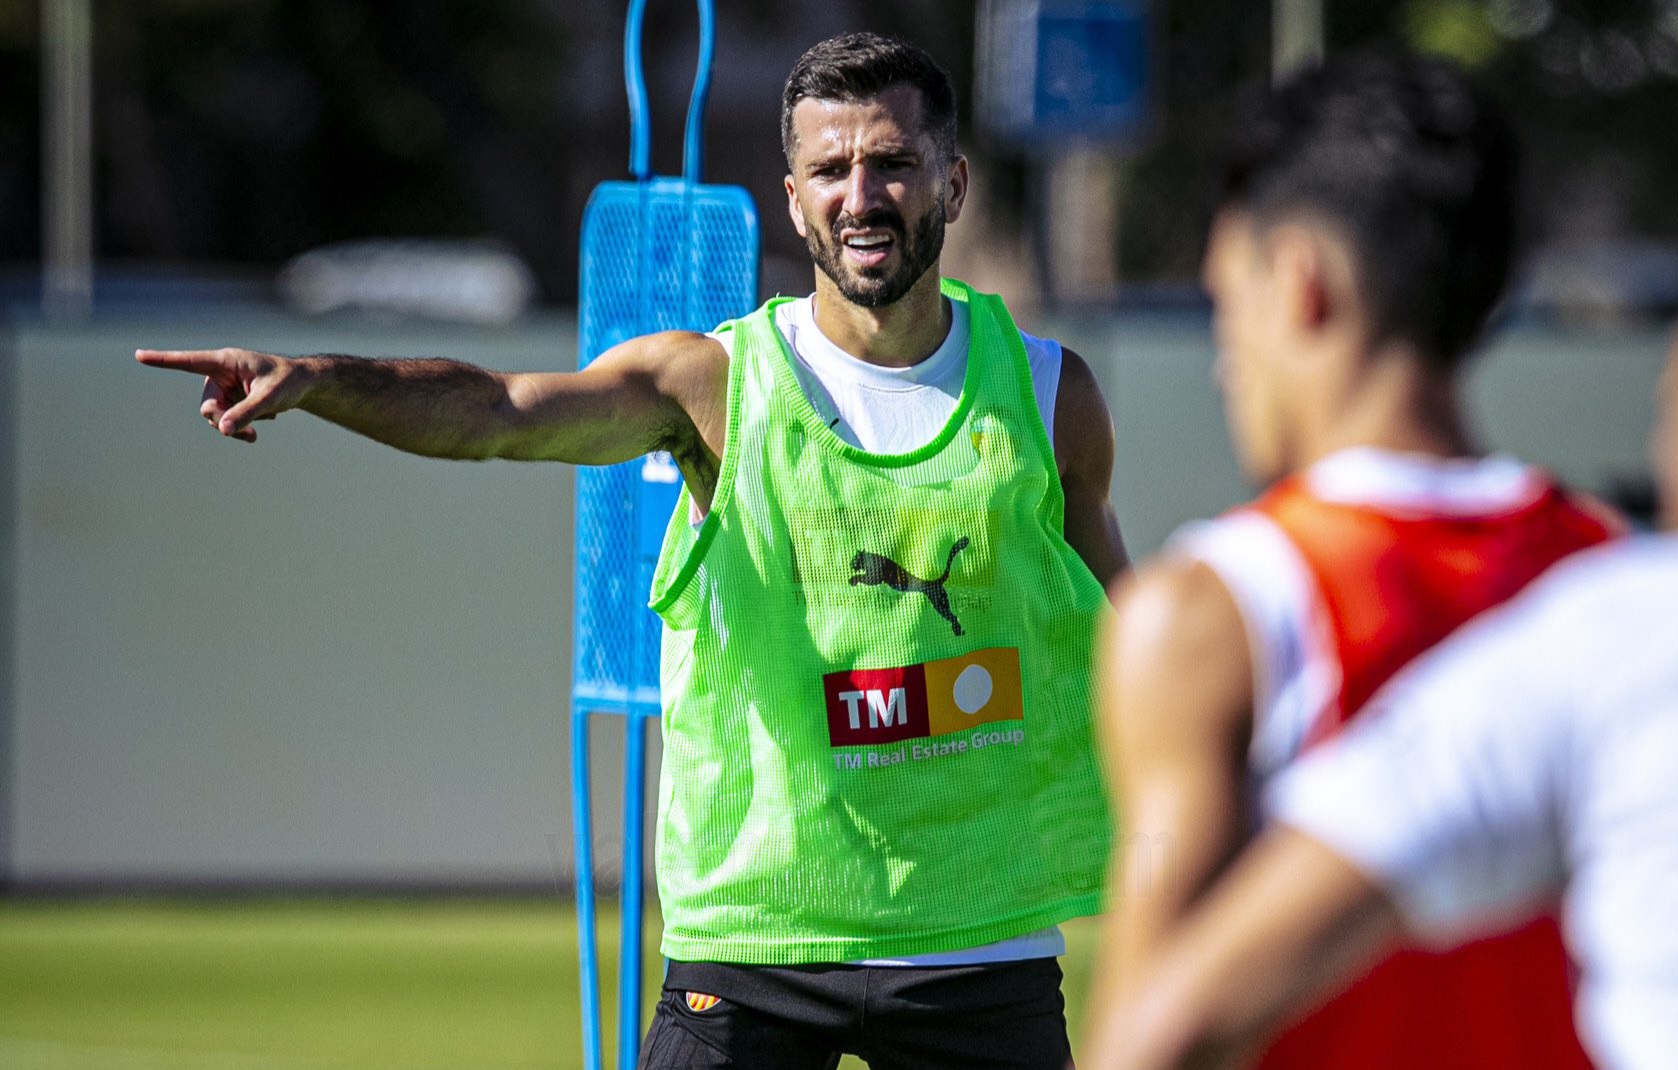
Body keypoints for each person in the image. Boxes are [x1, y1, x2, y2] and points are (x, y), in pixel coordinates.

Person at [139, 33, 1128, 1070]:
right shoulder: (710, 384)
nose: (861, 195)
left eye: (891, 162)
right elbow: (503, 411)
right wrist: (321, 377)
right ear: (793, 201)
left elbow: (1135, 637)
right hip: (751, 940)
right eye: (830, 170)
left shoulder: (1051, 399)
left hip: (976, 941)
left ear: (952, 181)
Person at [1083, 51, 1617, 1070]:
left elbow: (1148, 1033)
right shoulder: (1610, 567)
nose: (1222, 352)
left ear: (1297, 281)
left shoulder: (1208, 615)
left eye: (1222, 299)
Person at [1087, 271, 1678, 1070]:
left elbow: (1169, 1022)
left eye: (1232, 304)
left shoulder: (1623, 618)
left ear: (1300, 280)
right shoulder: (1595, 555)